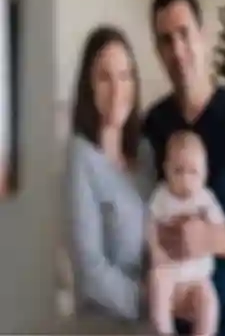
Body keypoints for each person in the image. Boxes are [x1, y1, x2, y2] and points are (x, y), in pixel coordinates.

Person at [143, 0, 225, 336]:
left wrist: (213, 240)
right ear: (158, 51)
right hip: (167, 313)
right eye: (166, 40)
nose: (177, 50)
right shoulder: (153, 125)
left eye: (184, 34)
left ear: (201, 37)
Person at [65, 26, 156, 324]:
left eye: (125, 75)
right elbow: (90, 270)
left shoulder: (145, 152)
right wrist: (151, 301)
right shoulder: (81, 157)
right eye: (105, 77)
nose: (117, 89)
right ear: (89, 86)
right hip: (106, 322)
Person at [148, 130, 225, 336]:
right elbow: (150, 226)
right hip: (169, 269)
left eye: (193, 172)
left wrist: (207, 231)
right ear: (166, 170)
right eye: (178, 171)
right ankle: (164, 330)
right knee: (157, 283)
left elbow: (221, 230)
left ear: (205, 173)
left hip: (197, 276)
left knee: (209, 301)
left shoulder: (205, 200)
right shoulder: (161, 196)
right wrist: (156, 252)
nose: (185, 179)